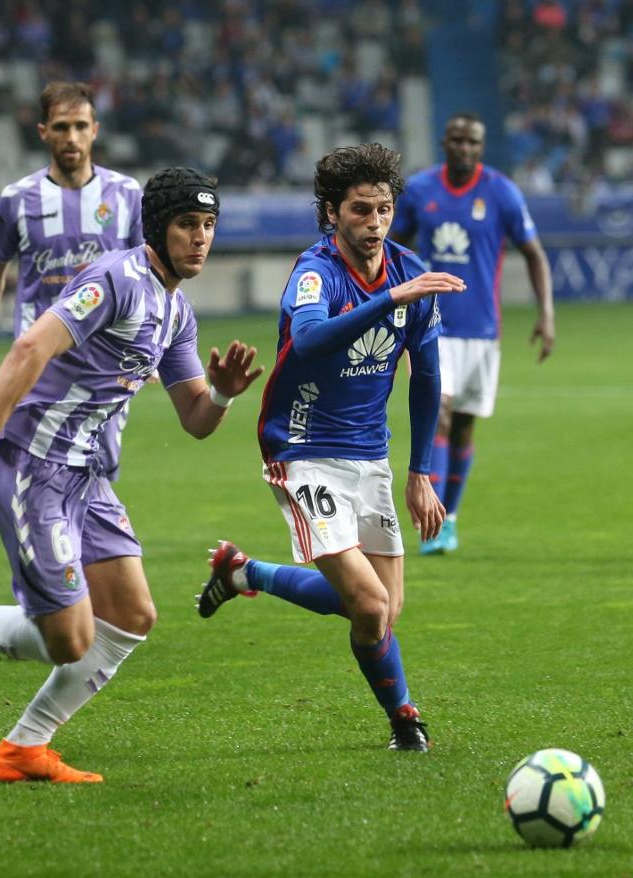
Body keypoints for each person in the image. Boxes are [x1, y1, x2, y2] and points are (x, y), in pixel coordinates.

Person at [0, 168, 263, 782]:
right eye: (186, 224)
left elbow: (196, 421)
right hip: (30, 466)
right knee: (70, 638)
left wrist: (223, 396)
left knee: (131, 615)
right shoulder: (116, 279)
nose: (200, 238)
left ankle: (22, 749)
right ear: (157, 226)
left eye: (208, 225)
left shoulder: (176, 312)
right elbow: (28, 348)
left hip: (85, 476)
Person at [194, 143, 465, 751]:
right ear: (331, 212)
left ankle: (244, 573)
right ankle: (405, 721)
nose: (374, 223)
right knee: (368, 604)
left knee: (382, 610)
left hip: (371, 455)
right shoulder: (317, 272)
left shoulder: (407, 268)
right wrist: (389, 300)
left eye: (384, 209)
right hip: (303, 447)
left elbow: (427, 377)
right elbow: (311, 339)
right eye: (361, 210)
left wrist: (421, 473)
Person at [0, 81, 143, 480]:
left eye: (80, 126)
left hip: (105, 366)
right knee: (20, 473)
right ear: (43, 131)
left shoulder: (127, 196)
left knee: (96, 477)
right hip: (36, 363)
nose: (71, 137)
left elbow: (150, 279)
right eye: (61, 127)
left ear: (95, 129)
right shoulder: (16, 199)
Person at [390, 111, 554, 554]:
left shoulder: (501, 191)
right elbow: (393, 248)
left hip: (482, 330)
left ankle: (450, 519)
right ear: (444, 142)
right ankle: (432, 520)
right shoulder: (421, 189)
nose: (464, 147)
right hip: (432, 324)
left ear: (481, 148)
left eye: (472, 142)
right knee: (438, 415)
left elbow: (533, 253)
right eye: (457, 140)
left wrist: (546, 314)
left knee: (462, 430)